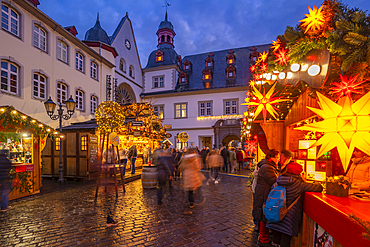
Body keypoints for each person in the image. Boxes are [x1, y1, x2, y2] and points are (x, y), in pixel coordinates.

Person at [267, 162, 323, 247]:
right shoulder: (299, 184)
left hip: (275, 214)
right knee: (285, 241)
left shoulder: (278, 180)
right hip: (288, 218)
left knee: (276, 239)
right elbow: (318, 187)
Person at [252, 149, 280, 247]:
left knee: (263, 217)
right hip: (264, 195)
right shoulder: (267, 167)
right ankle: (263, 240)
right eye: (277, 157)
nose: (278, 160)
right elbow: (274, 180)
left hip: (263, 194)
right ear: (272, 157)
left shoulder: (267, 166)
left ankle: (263, 237)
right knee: (264, 217)